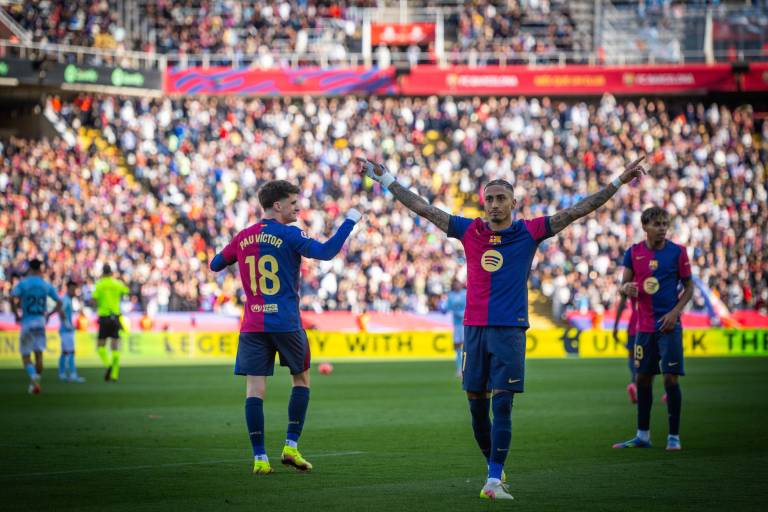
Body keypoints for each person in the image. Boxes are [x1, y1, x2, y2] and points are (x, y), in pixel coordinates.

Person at [357, 155, 647, 500]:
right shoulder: (469, 230)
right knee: (476, 408)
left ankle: (493, 479)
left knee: (503, 405)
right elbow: (423, 208)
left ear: (514, 203)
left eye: (500, 198)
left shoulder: (529, 231)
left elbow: (578, 210)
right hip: (474, 330)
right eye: (490, 198)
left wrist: (618, 182)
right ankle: (494, 467)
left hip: (509, 330)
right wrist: (386, 179)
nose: (494, 204)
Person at [210, 179, 363, 475]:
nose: (298, 208)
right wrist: (350, 221)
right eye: (293, 203)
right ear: (277, 205)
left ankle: (260, 458)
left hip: (253, 324)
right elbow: (326, 252)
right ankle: (291, 446)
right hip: (286, 322)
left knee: (254, 390)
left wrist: (237, 250)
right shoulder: (290, 234)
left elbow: (216, 264)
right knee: (301, 380)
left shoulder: (243, 236)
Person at [612, 206, 693, 451]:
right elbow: (623, 285)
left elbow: (689, 287)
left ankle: (674, 437)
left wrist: (674, 313)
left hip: (669, 326)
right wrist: (626, 288)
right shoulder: (634, 252)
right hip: (644, 328)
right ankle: (643, 436)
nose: (662, 229)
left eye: (665, 224)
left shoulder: (677, 252)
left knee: (670, 378)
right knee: (643, 378)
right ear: (645, 226)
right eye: (657, 224)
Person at [10, 259, 63, 394]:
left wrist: (16, 313)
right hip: (40, 321)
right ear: (40, 269)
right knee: (39, 354)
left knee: (26, 355)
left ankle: (33, 378)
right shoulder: (45, 284)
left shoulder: (24, 283)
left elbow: (12, 297)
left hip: (27, 320)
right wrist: (49, 314)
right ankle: (36, 382)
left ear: (29, 269)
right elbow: (59, 302)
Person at [92, 264, 129, 382]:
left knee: (100, 346)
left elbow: (94, 300)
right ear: (111, 273)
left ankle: (108, 365)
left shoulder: (99, 284)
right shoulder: (117, 283)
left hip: (104, 317)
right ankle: (114, 375)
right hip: (116, 317)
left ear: (102, 273)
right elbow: (126, 291)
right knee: (115, 347)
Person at [612, 292, 638, 403]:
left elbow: (621, 304)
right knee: (650, 357)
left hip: (634, 323)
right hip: (649, 321)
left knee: (632, 355)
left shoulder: (629, 283)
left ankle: (634, 383)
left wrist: (615, 326)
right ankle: (669, 390)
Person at [59, 279, 86, 383]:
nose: (75, 291)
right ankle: (73, 374)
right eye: (74, 289)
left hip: (65, 330)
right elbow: (61, 311)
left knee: (65, 352)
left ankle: (62, 374)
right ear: (69, 289)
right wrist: (68, 324)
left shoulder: (69, 299)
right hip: (66, 330)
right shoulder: (66, 299)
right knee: (70, 352)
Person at [443, 279, 467, 378]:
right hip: (456, 325)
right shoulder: (451, 295)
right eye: (455, 284)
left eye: (458, 284)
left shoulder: (465, 293)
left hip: (466, 324)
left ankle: (466, 369)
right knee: (457, 348)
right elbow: (447, 308)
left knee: (466, 347)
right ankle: (459, 369)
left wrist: (463, 314)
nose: (457, 286)